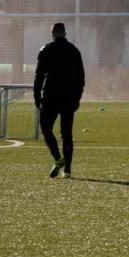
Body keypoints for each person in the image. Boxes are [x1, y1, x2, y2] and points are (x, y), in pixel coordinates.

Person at [34, 22, 85, 179]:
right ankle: (67, 170)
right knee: (67, 133)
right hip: (69, 98)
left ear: (53, 33)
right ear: (65, 33)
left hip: (51, 96)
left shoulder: (46, 49)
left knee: (46, 128)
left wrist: (36, 96)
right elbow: (81, 79)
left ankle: (58, 158)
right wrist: (77, 98)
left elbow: (39, 75)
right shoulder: (74, 51)